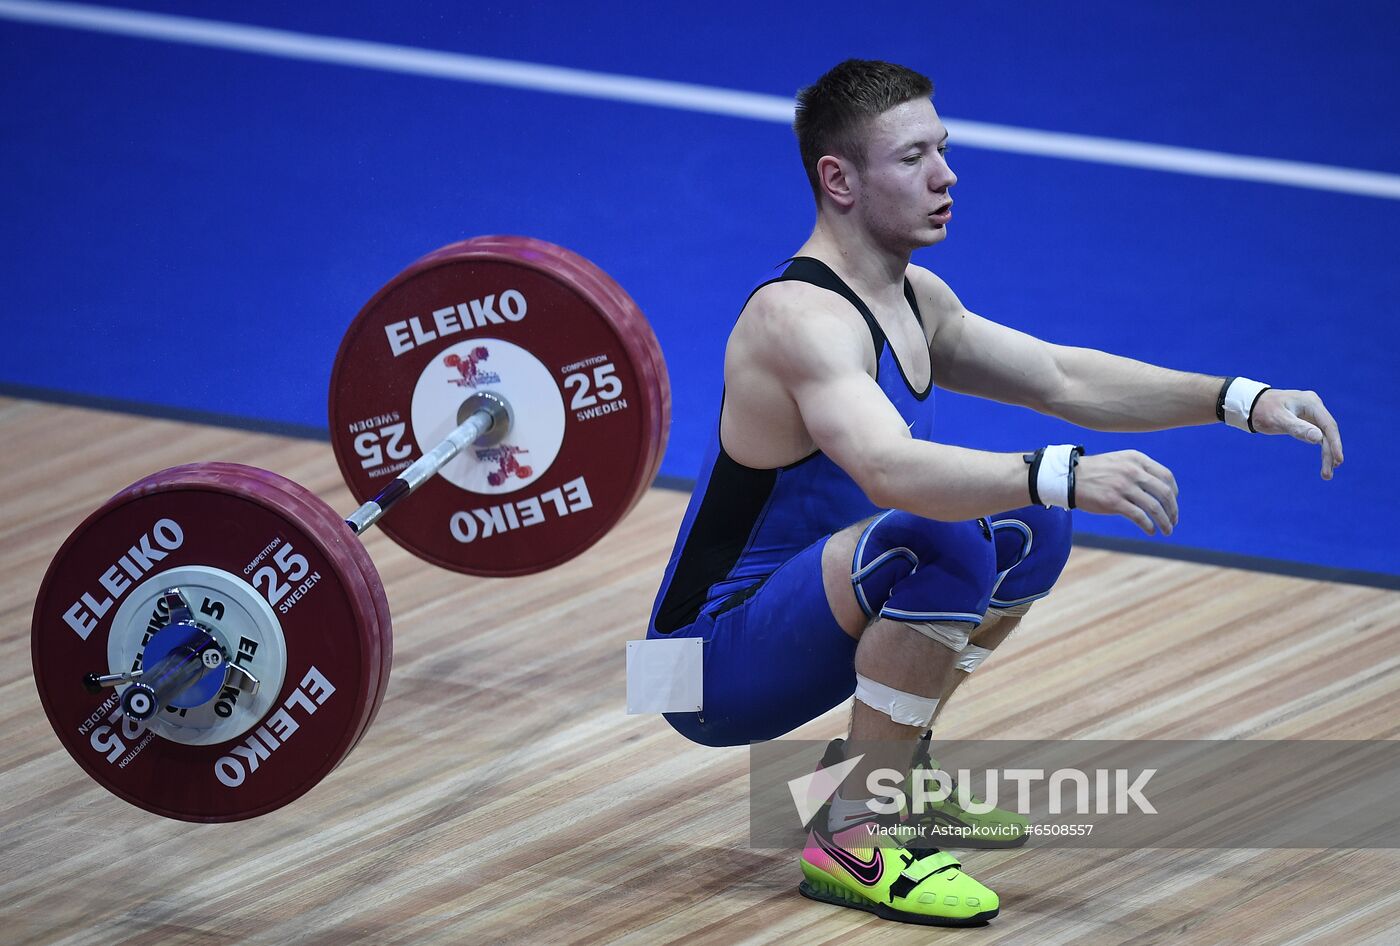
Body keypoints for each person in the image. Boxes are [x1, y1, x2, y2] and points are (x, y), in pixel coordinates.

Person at [645, 59, 1343, 927]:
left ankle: (887, 771)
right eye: (913, 158)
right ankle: (856, 834)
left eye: (944, 148)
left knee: (1030, 524)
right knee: (938, 535)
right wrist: (1067, 469)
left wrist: (1238, 401)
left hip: (791, 620)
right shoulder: (797, 320)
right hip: (692, 671)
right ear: (839, 179)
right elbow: (890, 471)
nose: (947, 176)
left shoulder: (913, 297)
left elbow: (1060, 377)